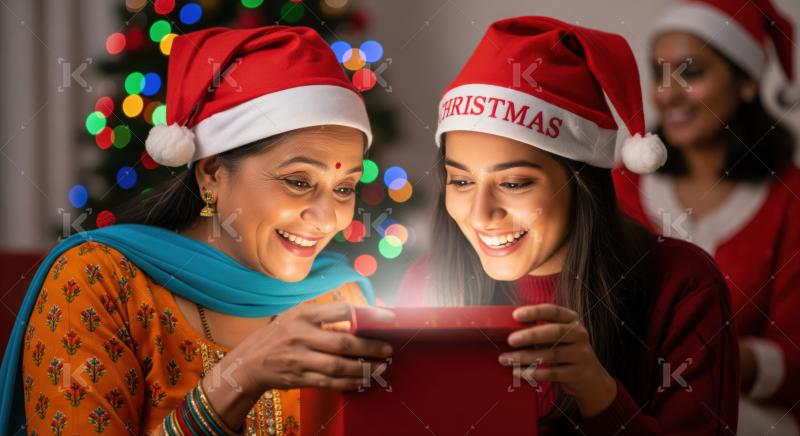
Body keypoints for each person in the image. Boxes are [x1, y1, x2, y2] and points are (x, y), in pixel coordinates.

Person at [0, 26, 395, 435]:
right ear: (211, 174)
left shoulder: (339, 298)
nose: (327, 218)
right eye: (298, 181)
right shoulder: (100, 280)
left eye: (345, 188)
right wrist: (240, 378)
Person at [396, 16, 739, 435]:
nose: (481, 213)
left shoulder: (684, 286)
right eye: (461, 181)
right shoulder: (426, 285)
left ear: (582, 185)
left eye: (513, 183)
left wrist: (599, 394)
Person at [612, 1, 800, 434]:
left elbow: (793, 358)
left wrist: (707, 357)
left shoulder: (788, 200)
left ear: (748, 81)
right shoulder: (622, 187)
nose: (667, 91)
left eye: (690, 72)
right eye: (658, 72)